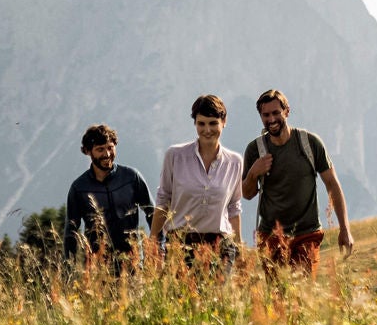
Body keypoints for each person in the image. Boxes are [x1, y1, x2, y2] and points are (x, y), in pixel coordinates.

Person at [240, 89, 353, 272]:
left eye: (276, 113)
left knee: (303, 295)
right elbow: (247, 194)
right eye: (266, 115)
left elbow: (332, 184)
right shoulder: (255, 149)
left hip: (306, 235)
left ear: (287, 111)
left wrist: (344, 229)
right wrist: (254, 172)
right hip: (271, 237)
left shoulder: (310, 143)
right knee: (277, 299)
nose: (271, 119)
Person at [152, 94, 244, 260]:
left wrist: (239, 250)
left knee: (219, 287)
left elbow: (234, 207)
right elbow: (163, 199)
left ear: (224, 122)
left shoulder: (234, 162)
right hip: (180, 243)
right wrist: (153, 243)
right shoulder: (175, 156)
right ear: (195, 123)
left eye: (213, 123)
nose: (207, 130)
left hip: (220, 245)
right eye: (201, 123)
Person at [63, 123, 154, 265]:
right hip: (98, 269)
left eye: (110, 148)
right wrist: (69, 269)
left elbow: (153, 213)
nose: (107, 154)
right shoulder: (79, 188)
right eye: (100, 149)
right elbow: (71, 232)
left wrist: (157, 248)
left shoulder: (131, 177)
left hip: (133, 264)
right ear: (88, 151)